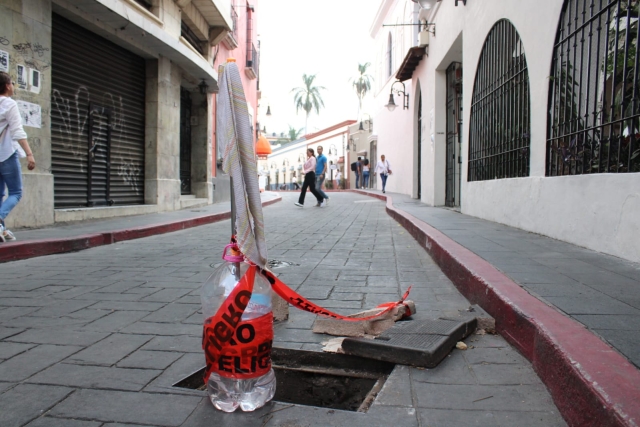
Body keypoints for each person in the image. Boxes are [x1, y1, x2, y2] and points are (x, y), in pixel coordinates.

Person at [0, 72, 36, 242]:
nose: (13, 85)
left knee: (0, 194)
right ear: (7, 85)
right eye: (12, 83)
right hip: (6, 154)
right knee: (16, 192)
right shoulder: (9, 103)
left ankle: (3, 230)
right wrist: (29, 154)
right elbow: (17, 131)